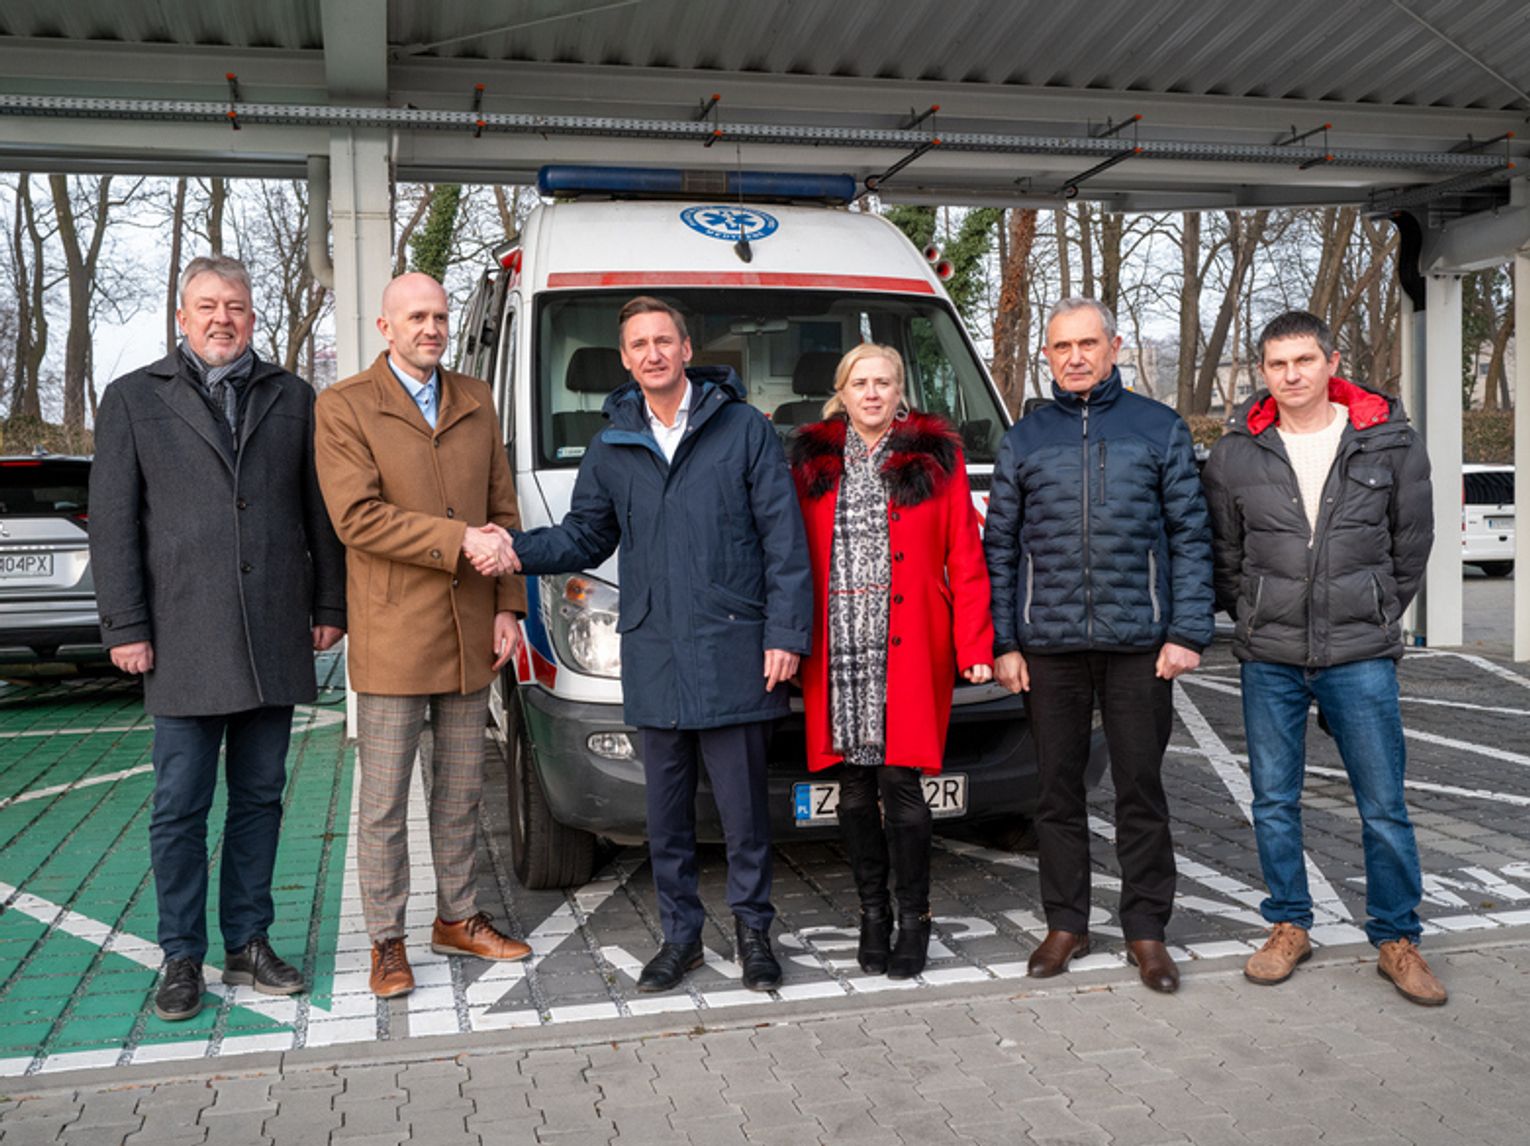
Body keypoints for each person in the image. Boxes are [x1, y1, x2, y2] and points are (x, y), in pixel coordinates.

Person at [508, 296, 812, 994]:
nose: (652, 353)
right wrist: (516, 550)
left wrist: (786, 635)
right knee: (666, 819)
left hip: (735, 648)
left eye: (663, 341)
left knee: (744, 815)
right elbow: (585, 536)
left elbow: (784, 541)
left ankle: (754, 934)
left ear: (686, 349)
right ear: (625, 359)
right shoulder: (612, 445)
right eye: (639, 344)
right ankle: (681, 939)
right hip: (654, 651)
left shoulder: (743, 429)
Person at [89, 254, 347, 1022]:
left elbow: (319, 512)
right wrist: (126, 625)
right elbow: (113, 525)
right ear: (182, 316)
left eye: (234, 306)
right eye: (206, 306)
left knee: (260, 799)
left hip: (272, 629)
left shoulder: (293, 397)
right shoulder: (134, 398)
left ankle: (248, 942)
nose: (221, 319)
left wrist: (329, 603)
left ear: (253, 316)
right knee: (179, 806)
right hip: (181, 636)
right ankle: (180, 956)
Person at [1201, 310, 1442, 1005]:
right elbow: (1225, 553)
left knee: (1383, 804)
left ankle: (1397, 938)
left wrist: (1374, 610)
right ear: (1263, 372)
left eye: (1304, 360)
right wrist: (1251, 611)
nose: (1291, 375)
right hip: (1270, 654)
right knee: (1274, 800)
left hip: (1359, 652)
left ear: (1331, 362)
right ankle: (1288, 925)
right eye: (1277, 364)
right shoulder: (1236, 453)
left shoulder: (1388, 441)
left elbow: (1411, 543)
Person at [984, 297, 1214, 993]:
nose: (1075, 357)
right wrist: (1004, 640)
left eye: (1088, 344)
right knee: (1055, 793)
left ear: (1114, 348)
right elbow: (1000, 548)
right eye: (1062, 347)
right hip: (1047, 646)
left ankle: (1146, 930)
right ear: (1047, 356)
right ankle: (1067, 924)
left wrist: (1187, 631)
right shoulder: (1025, 439)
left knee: (1140, 791)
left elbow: (1191, 535)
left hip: (1140, 644)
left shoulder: (1159, 428)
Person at [314, 272, 531, 1000]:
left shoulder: (475, 396)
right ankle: (386, 940)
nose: (431, 328)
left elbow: (503, 508)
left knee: (461, 792)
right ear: (386, 327)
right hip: (394, 633)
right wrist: (459, 539)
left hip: (472, 629)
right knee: (383, 804)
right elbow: (357, 518)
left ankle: (458, 918)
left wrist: (508, 605)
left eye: (439, 316)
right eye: (416, 317)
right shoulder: (345, 405)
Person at [788, 344, 993, 979]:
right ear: (842, 391)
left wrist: (975, 646)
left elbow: (965, 554)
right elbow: (786, 552)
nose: (871, 393)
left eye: (883, 382)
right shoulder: (811, 461)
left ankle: (915, 917)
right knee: (853, 787)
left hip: (908, 637)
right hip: (837, 640)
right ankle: (872, 915)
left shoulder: (934, 457)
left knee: (902, 784)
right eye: (860, 383)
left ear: (900, 391)